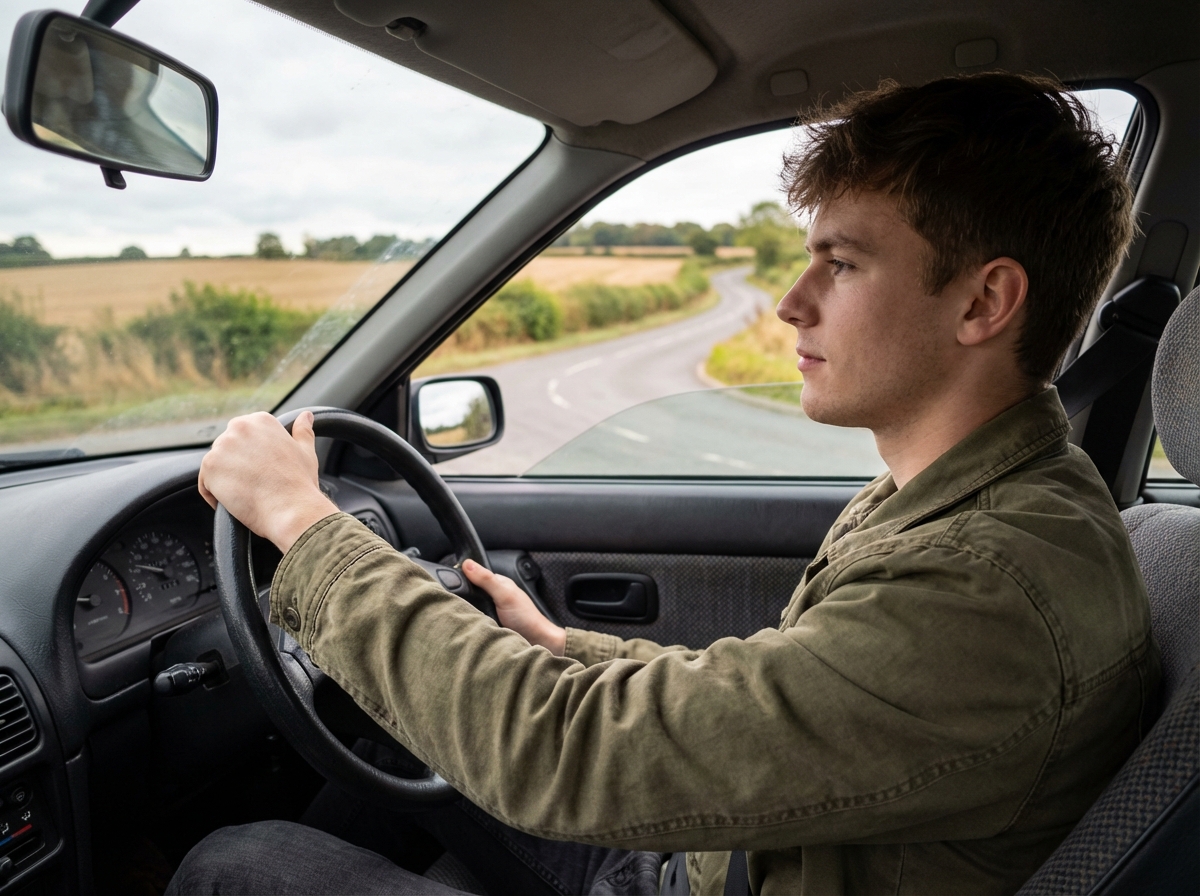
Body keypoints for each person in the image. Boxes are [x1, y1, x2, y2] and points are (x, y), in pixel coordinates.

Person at [172, 73, 1159, 896]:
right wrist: (562, 645)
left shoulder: (987, 586)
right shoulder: (964, 494)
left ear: (984, 300)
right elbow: (767, 698)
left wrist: (303, 522)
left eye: (843, 263)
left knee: (235, 864)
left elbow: (568, 753)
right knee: (393, 733)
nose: (789, 302)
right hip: (719, 853)